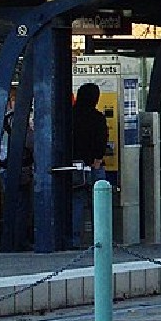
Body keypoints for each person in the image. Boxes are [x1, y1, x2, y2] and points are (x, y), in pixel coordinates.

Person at [68, 83, 111, 247]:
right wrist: (98, 159)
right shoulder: (97, 117)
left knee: (77, 202)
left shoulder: (70, 115)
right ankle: (100, 238)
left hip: (75, 165)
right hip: (94, 164)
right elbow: (101, 140)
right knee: (99, 203)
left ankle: (75, 239)